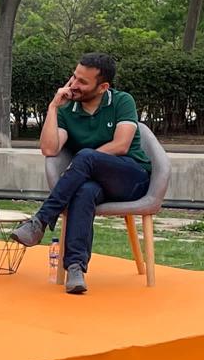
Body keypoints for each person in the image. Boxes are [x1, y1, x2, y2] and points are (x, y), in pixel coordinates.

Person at [11, 53, 151, 294]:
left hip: (131, 178)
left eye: (83, 82)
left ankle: (40, 221)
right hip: (94, 183)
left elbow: (121, 145)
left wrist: (82, 161)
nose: (74, 85)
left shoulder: (121, 101)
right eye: (74, 77)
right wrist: (53, 107)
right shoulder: (68, 110)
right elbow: (49, 149)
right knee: (84, 191)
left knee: (85, 156)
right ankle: (75, 268)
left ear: (103, 87)